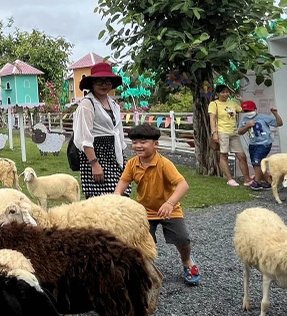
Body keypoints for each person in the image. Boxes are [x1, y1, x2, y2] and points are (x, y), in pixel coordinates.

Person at [114, 124, 199, 286]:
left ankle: (187, 260)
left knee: (182, 239)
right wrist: (117, 195)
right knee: (140, 242)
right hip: (144, 211)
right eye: (135, 142)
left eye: (143, 142)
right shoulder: (132, 163)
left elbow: (183, 185)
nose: (138, 146)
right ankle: (145, 269)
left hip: (169, 210)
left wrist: (170, 203)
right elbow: (123, 181)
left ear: (156, 144)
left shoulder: (164, 164)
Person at [72, 61, 128, 198]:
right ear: (92, 83)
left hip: (114, 153)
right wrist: (94, 164)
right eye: (99, 81)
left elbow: (118, 132)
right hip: (97, 154)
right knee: (100, 199)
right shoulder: (87, 104)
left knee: (121, 195)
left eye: (107, 81)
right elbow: (84, 137)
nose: (104, 85)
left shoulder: (113, 104)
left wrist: (123, 158)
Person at [236, 100, 283, 190]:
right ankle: (269, 182)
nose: (248, 113)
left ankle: (257, 182)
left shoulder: (263, 117)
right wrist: (247, 126)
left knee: (257, 162)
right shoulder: (244, 120)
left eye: (249, 110)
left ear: (255, 109)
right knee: (257, 164)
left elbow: (279, 123)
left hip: (264, 143)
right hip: (253, 144)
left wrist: (275, 114)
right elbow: (240, 132)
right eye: (245, 111)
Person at [208, 85, 249, 187]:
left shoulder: (232, 103)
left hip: (234, 132)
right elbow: (212, 119)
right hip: (222, 132)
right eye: (222, 92)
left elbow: (245, 110)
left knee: (242, 156)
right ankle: (230, 179)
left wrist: (241, 100)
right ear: (217, 94)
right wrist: (214, 133)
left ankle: (247, 179)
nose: (225, 94)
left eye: (227, 92)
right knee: (224, 155)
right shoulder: (214, 104)